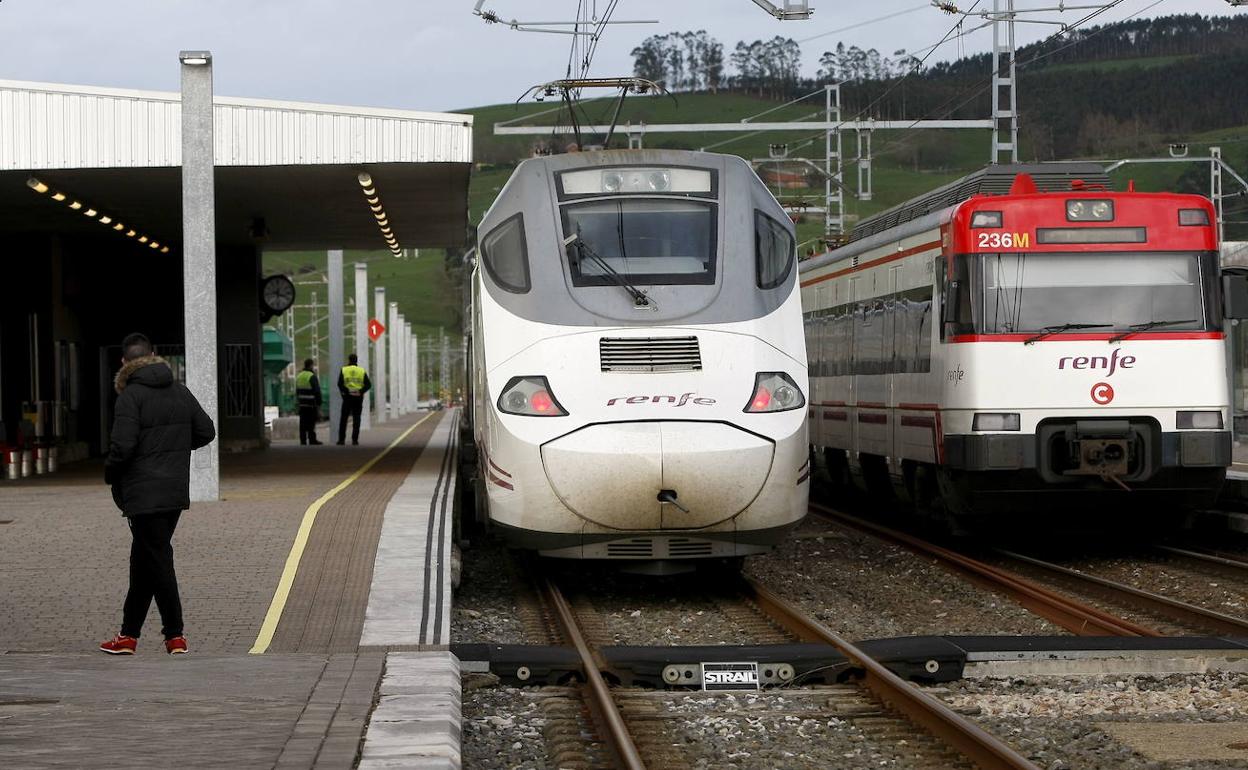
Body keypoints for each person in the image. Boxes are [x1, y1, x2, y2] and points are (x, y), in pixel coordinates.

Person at [100, 332, 215, 655]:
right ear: (154, 354)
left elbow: (122, 447)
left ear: (124, 363)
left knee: (158, 560)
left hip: (142, 492)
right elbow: (206, 430)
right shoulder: (180, 392)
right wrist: (174, 449)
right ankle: (128, 636)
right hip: (173, 491)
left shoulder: (130, 397)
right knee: (145, 560)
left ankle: (175, 634)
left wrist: (110, 474)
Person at [336, 353, 372, 445]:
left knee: (343, 419)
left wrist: (346, 392)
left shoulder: (344, 370)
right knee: (357, 419)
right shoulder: (361, 371)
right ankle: (355, 440)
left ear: (349, 360)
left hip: (347, 398)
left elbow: (340, 384)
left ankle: (341, 440)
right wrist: (360, 391)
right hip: (358, 398)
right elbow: (368, 384)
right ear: (356, 361)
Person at [296, 358, 323, 445]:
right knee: (311, 423)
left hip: (302, 404)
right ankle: (312, 439)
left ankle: (303, 440)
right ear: (311, 365)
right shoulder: (311, 376)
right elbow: (317, 391)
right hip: (311, 404)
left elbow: (297, 391)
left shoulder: (299, 376)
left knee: (302, 423)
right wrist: (319, 403)